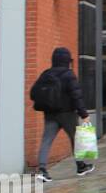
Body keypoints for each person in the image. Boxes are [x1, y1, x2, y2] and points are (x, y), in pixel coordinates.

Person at [30, 47, 93, 181]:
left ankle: (42, 170)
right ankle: (80, 166)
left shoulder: (46, 74)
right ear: (67, 60)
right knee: (75, 138)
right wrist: (84, 114)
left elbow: (33, 93)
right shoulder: (69, 74)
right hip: (67, 114)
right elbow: (76, 96)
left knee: (46, 140)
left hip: (50, 113)